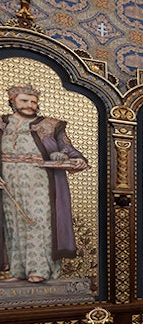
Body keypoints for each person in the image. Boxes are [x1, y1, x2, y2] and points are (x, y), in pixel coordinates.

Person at [0, 84, 88, 283]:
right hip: (9, 182)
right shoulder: (1, 124)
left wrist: (77, 159)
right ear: (12, 100)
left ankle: (38, 269)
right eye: (25, 100)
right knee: (13, 224)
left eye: (33, 101)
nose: (30, 105)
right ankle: (18, 271)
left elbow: (67, 148)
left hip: (40, 181)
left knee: (39, 223)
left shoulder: (50, 125)